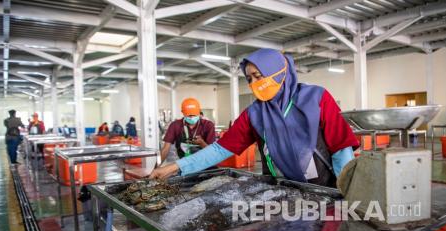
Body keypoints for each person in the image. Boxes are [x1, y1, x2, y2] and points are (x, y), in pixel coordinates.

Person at [151, 49, 358, 188]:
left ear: (278, 72)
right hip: (281, 190)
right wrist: (174, 167)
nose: (254, 83)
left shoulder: (316, 98)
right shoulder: (254, 114)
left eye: (259, 76)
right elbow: (219, 149)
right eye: (249, 79)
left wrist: (346, 192)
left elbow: (341, 148)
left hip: (323, 188)